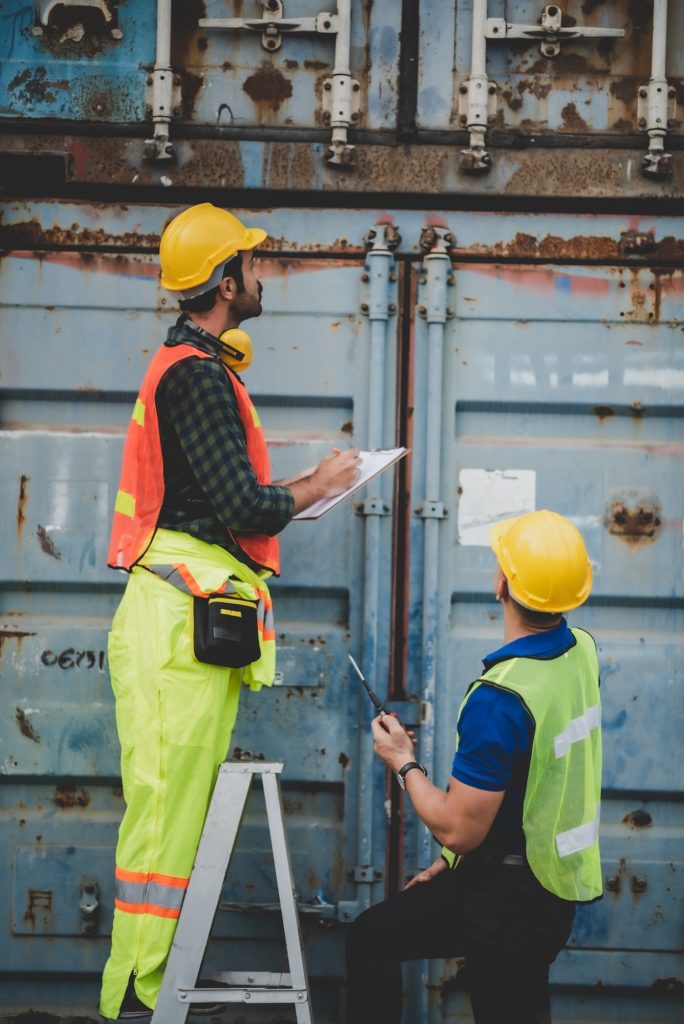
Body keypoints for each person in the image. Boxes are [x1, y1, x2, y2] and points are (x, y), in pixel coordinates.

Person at [99, 203, 360, 1021]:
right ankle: (142, 999)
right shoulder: (195, 376)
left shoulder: (195, 364)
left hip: (177, 627)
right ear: (224, 280)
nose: (262, 274)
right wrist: (321, 483)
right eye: (252, 262)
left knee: (166, 815)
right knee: (168, 822)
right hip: (176, 632)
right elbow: (245, 503)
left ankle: (142, 991)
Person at [346, 509, 602, 1024]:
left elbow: (460, 828)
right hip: (543, 886)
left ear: (501, 584)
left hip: (510, 904)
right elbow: (534, 780)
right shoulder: (581, 652)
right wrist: (452, 864)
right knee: (373, 935)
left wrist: (402, 762)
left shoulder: (500, 698)